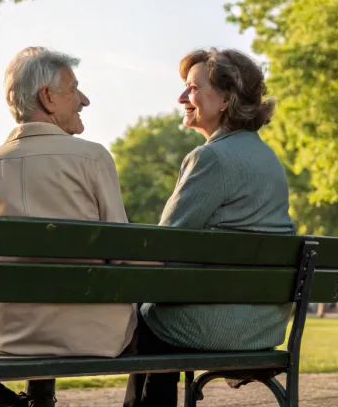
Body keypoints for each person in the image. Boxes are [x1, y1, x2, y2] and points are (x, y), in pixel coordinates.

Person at [0, 47, 137, 407]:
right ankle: (40, 395)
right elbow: (122, 258)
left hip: (2, 337)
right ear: (47, 97)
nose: (84, 100)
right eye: (74, 90)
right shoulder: (93, 158)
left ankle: (35, 394)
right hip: (92, 337)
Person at [123, 48, 296, 407]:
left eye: (192, 87)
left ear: (226, 99)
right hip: (263, 326)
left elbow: (162, 250)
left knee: (136, 318)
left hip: (212, 326)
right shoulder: (268, 158)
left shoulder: (209, 158)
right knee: (147, 314)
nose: (182, 97)